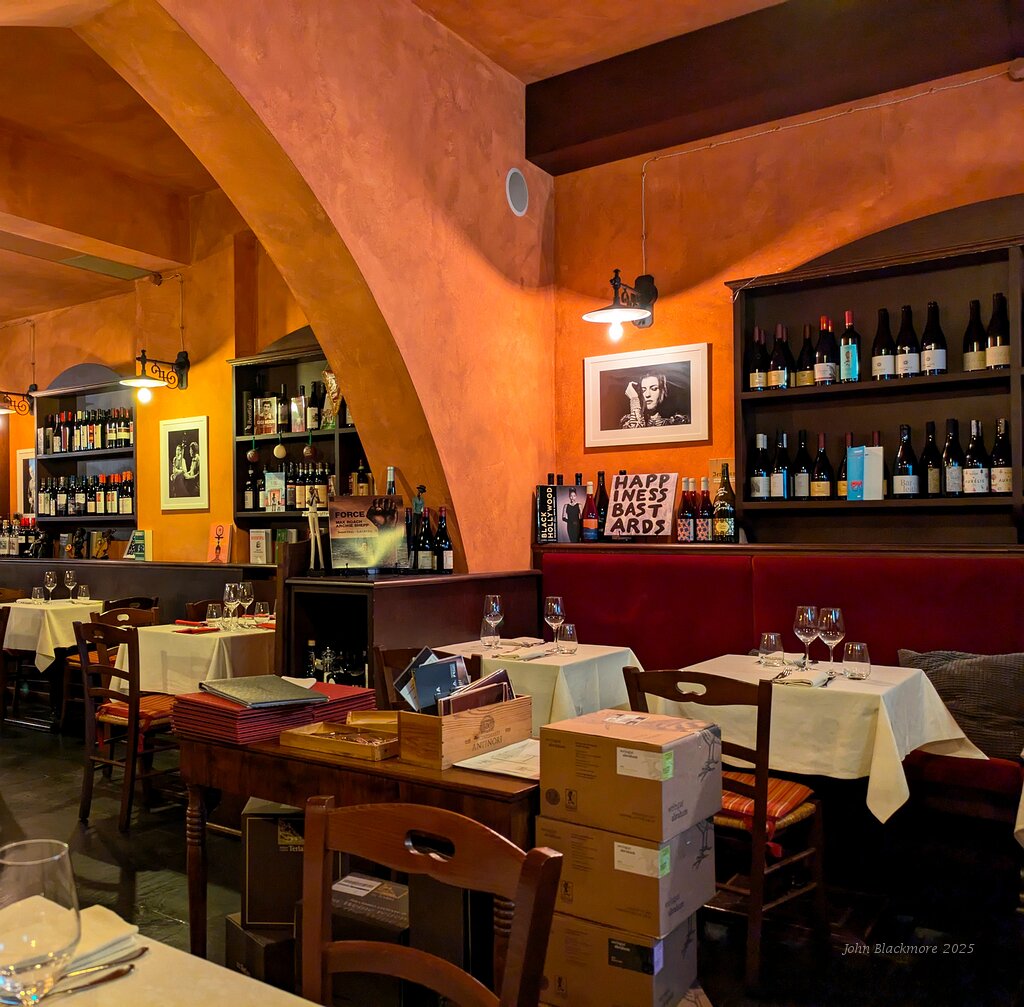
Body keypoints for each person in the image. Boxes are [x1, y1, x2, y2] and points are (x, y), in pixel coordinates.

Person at [620, 372, 688, 428]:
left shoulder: (678, 421)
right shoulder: (627, 421)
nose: (647, 395)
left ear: (663, 391)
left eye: (653, 389)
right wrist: (634, 399)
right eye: (643, 390)